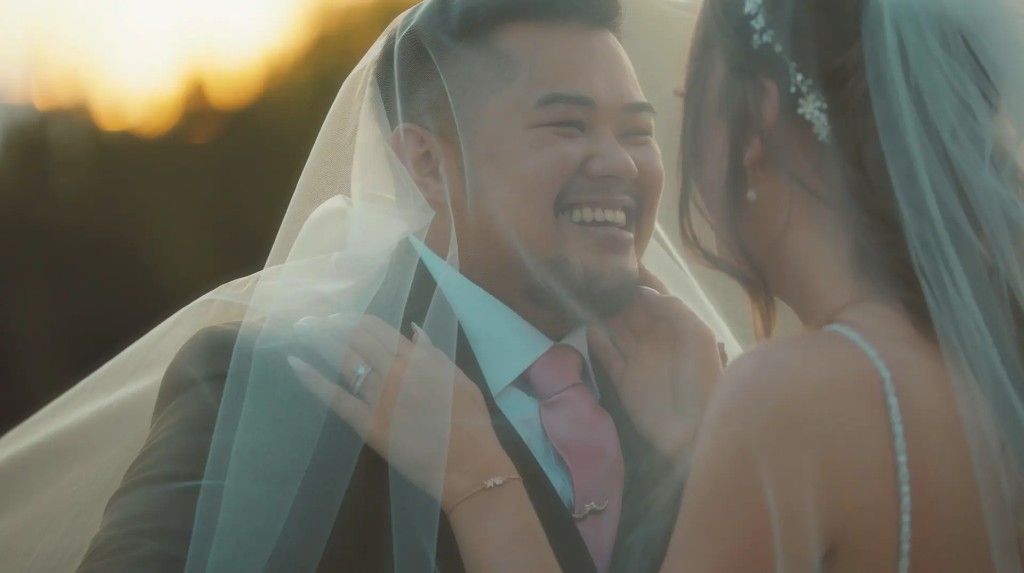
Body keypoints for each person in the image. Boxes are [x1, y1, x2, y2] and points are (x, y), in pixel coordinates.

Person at [296, 0, 1024, 571]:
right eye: (566, 126)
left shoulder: (793, 396)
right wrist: (701, 446)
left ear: (758, 117)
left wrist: (479, 482)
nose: (621, 161)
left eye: (656, 119)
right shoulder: (984, 366)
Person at [23, 1, 727, 572]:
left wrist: (711, 449)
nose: (619, 163)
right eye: (567, 125)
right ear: (427, 162)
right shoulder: (267, 386)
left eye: (638, 132)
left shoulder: (698, 403)